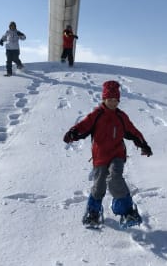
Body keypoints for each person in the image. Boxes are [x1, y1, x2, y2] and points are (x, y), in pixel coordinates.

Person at [63, 80, 152, 228]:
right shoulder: (96, 115)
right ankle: (93, 212)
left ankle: (127, 211)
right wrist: (73, 133)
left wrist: (143, 145)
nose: (113, 103)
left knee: (115, 178)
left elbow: (133, 132)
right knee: (99, 186)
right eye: (110, 100)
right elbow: (83, 126)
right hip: (100, 157)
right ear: (104, 99)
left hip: (117, 154)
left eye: (116, 100)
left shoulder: (121, 116)